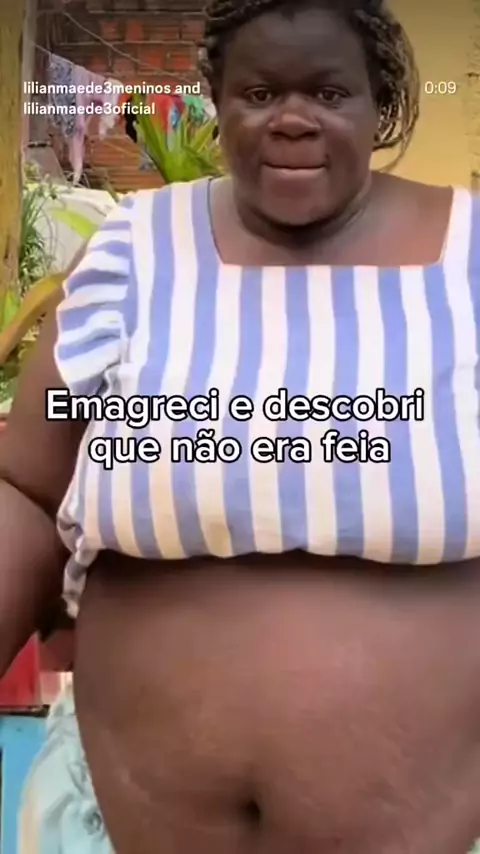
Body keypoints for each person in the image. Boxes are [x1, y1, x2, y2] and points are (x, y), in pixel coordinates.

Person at [2, 0, 480, 851]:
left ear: (382, 104)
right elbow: (28, 491)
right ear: (217, 102)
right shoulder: (135, 251)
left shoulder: (470, 264)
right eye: (259, 93)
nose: (292, 119)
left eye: (328, 93)